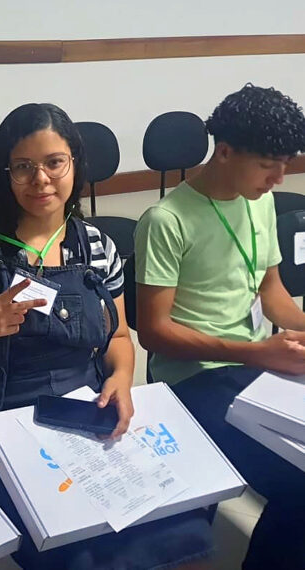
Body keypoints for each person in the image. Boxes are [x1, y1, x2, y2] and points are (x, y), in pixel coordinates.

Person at [0, 103, 213, 569]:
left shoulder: (96, 245)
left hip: (82, 415)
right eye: (23, 167)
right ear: (4, 173)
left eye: (54, 162)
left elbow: (117, 338)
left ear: (74, 163)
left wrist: (120, 379)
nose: (41, 180)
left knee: (183, 527)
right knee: (78, 555)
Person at [134, 84, 305, 569]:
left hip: (255, 365)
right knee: (299, 488)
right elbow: (155, 333)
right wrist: (258, 353)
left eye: (286, 164)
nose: (278, 177)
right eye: (268, 163)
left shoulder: (261, 201)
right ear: (225, 151)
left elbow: (270, 293)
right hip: (194, 376)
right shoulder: (166, 220)